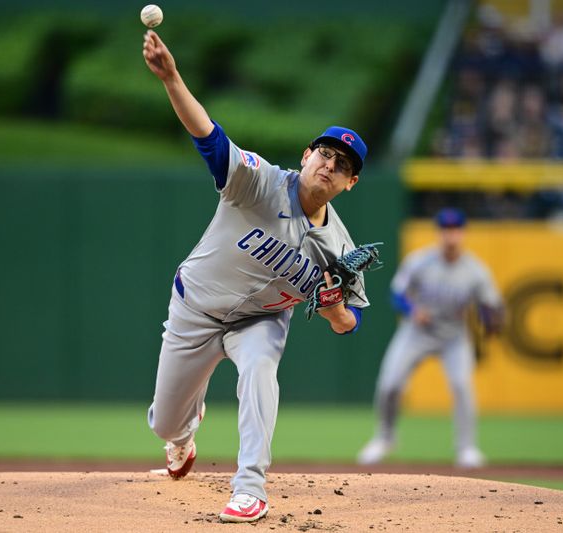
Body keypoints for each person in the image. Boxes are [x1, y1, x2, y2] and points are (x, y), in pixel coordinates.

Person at [142, 30, 371, 523]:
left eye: (343, 165)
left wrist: (333, 306)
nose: (330, 166)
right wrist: (172, 78)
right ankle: (183, 435)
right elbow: (208, 135)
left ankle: (250, 488)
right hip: (196, 309)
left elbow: (347, 323)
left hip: (259, 322)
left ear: (350, 183)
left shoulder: (340, 248)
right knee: (163, 423)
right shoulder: (258, 180)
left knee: (261, 371)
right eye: (326, 154)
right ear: (307, 154)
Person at [357, 208, 503, 469]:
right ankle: (385, 438)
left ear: (463, 232)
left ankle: (467, 448)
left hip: (454, 336)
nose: (451, 235)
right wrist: (413, 310)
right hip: (417, 332)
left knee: (461, 387)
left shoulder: (476, 270)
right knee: (390, 384)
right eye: (446, 230)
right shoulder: (419, 261)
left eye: (455, 229)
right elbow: (396, 295)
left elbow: (492, 306)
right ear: (439, 233)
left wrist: (491, 318)